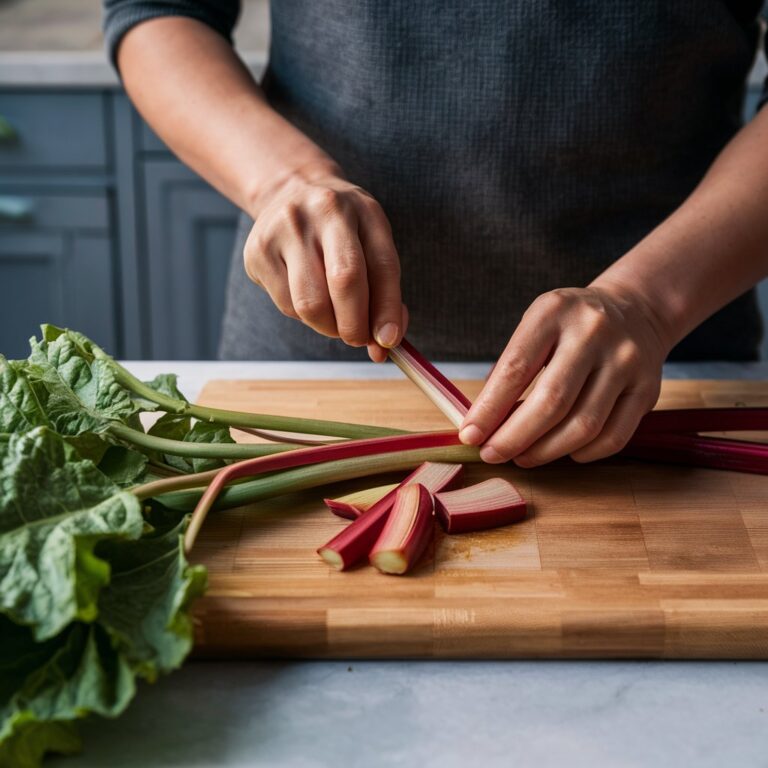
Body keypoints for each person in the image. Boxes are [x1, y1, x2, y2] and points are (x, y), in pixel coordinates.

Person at [103, 0, 768, 467]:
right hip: (304, 364)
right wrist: (281, 181)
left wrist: (648, 305)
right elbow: (158, 10)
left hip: (670, 365)